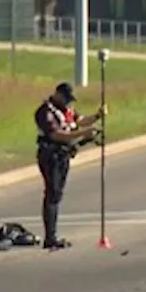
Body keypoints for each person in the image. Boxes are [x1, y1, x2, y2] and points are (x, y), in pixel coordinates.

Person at [34, 82, 106, 250]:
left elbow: (81, 121)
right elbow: (57, 134)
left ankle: (52, 235)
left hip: (63, 155)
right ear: (57, 93)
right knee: (52, 194)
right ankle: (50, 237)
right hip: (50, 155)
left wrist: (97, 116)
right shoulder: (45, 112)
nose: (68, 102)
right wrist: (83, 134)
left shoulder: (67, 110)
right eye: (66, 98)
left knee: (57, 194)